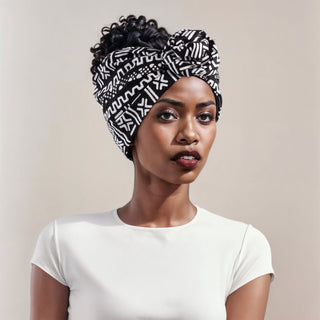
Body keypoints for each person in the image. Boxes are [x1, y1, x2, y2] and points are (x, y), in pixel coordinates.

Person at [30, 14, 275, 320]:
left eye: (205, 116)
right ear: (129, 127)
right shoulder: (64, 241)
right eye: (167, 115)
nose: (190, 133)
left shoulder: (242, 247)